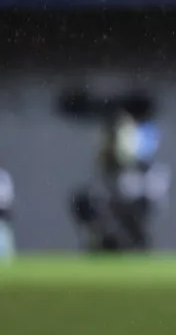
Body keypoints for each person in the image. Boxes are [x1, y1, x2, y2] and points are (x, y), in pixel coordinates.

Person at [58, 88, 170, 252]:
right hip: (122, 189)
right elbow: (106, 161)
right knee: (86, 202)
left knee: (126, 223)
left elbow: (132, 158)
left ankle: (131, 242)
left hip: (139, 190)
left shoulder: (144, 130)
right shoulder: (120, 129)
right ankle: (104, 240)